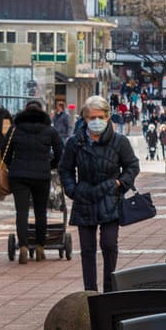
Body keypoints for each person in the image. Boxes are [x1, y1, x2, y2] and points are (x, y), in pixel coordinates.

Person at [61, 96, 139, 292]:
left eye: (100, 117)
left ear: (108, 117)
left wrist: (120, 183)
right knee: (87, 249)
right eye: (91, 117)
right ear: (85, 119)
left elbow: (132, 166)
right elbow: (65, 169)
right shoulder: (75, 142)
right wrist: (72, 190)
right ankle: (90, 291)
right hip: (84, 198)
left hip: (110, 198)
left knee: (109, 244)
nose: (96, 121)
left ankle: (109, 289)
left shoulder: (119, 141)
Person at [5, 99, 63, 263]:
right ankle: (39, 247)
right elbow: (60, 150)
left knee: (21, 212)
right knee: (40, 212)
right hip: (41, 175)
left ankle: (23, 246)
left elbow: (5, 150)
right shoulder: (49, 130)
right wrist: (51, 165)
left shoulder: (15, 129)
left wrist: (12, 165)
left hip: (18, 176)